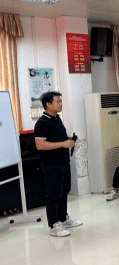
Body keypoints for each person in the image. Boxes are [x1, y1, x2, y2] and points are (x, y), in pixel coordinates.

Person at [34, 91, 82, 237]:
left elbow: (56, 138)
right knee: (53, 194)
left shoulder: (57, 119)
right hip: (52, 164)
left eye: (61, 101)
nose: (61, 104)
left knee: (63, 191)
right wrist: (63, 143)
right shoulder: (42, 122)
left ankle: (63, 218)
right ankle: (54, 225)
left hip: (63, 162)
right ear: (48, 104)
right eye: (58, 102)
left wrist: (68, 139)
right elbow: (40, 145)